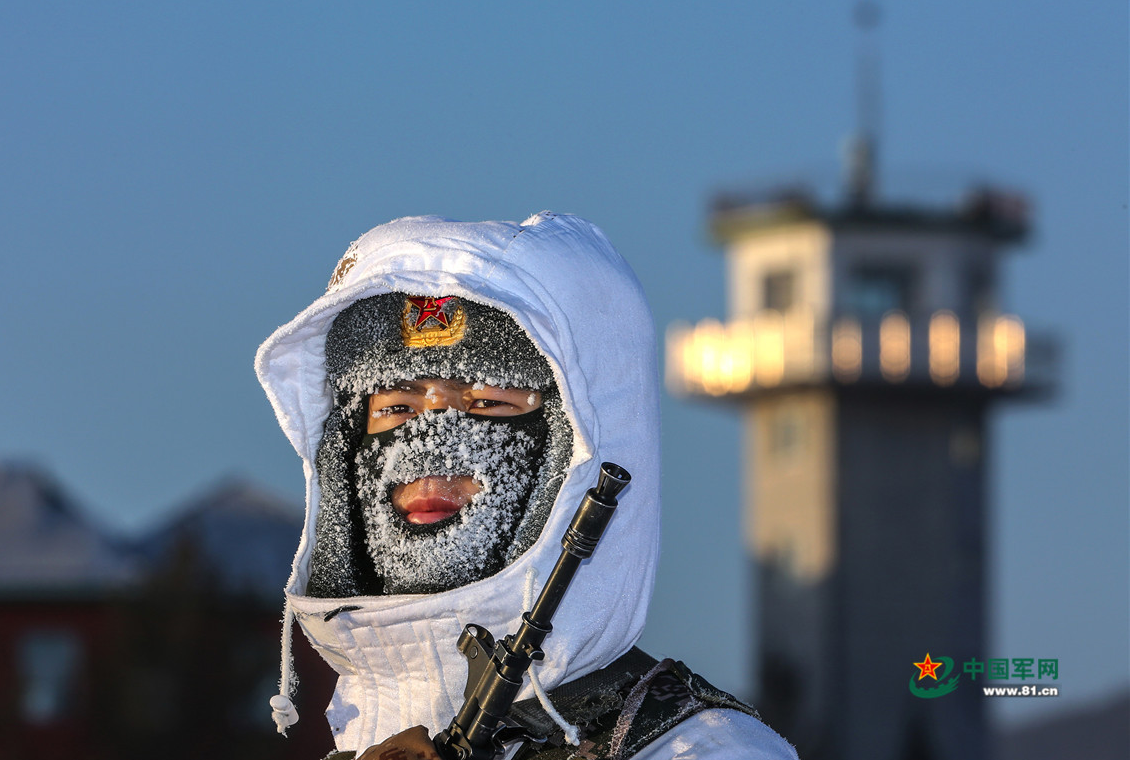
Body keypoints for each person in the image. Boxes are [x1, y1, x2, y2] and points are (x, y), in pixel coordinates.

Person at [255, 212, 799, 759]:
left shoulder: (705, 752)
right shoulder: (353, 738)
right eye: (396, 406)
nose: (430, 450)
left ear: (578, 447)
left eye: (489, 404)